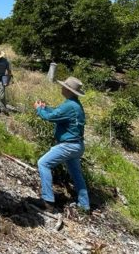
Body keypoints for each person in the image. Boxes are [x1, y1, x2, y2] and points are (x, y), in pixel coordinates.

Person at [33, 77, 90, 212]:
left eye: (64, 86)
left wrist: (39, 109)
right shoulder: (74, 104)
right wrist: (45, 107)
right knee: (76, 174)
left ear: (68, 90)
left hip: (68, 145)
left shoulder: (70, 105)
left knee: (43, 163)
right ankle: (85, 205)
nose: (61, 88)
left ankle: (48, 201)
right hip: (77, 145)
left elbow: (51, 117)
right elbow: (57, 113)